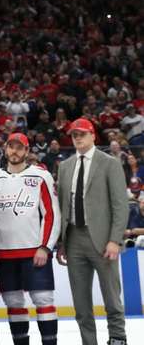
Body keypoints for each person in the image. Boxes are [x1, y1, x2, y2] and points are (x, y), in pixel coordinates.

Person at [56, 118, 128, 345]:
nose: (77, 138)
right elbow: (62, 207)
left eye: (82, 134)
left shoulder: (109, 163)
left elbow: (120, 205)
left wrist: (115, 240)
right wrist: (62, 242)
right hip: (74, 239)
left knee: (112, 298)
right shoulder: (65, 166)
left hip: (103, 239)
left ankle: (117, 339)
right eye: (74, 135)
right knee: (81, 303)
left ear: (93, 135)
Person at [0, 132, 60, 345]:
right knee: (13, 302)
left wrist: (45, 247)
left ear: (27, 151)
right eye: (11, 146)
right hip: (4, 252)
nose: (15, 151)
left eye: (20, 147)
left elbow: (52, 213)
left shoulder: (41, 176)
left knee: (43, 300)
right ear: (5, 149)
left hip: (34, 251)